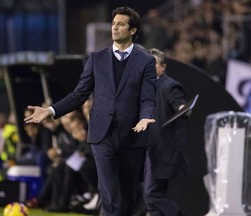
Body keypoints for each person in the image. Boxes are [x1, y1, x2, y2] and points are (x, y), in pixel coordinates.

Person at [24, 6, 157, 216]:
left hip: (133, 135)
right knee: (109, 193)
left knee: (127, 195)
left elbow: (148, 97)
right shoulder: (96, 59)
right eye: (113, 23)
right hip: (102, 135)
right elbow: (79, 95)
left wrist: (146, 117)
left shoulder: (146, 61)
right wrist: (51, 110)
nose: (115, 28)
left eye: (121, 24)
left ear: (133, 30)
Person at [144, 48, 189, 216]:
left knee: (152, 194)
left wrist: (182, 108)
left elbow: (179, 104)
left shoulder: (169, 85)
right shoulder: (145, 87)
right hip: (150, 148)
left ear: (162, 67)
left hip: (162, 150)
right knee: (152, 198)